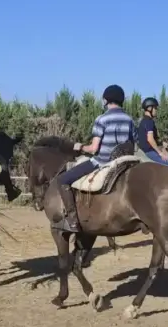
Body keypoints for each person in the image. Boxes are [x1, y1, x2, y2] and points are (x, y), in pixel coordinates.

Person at [54, 84, 136, 233]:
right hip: (125, 161)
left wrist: (80, 147)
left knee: (62, 180)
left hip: (103, 162)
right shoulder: (129, 119)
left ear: (107, 100)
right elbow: (132, 143)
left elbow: (94, 149)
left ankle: (72, 221)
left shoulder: (102, 119)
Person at [138, 97, 168, 168]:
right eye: (155, 108)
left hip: (145, 150)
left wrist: (163, 144)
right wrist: (160, 153)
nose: (156, 110)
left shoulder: (144, 121)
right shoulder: (149, 121)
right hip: (149, 152)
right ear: (149, 108)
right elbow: (150, 139)